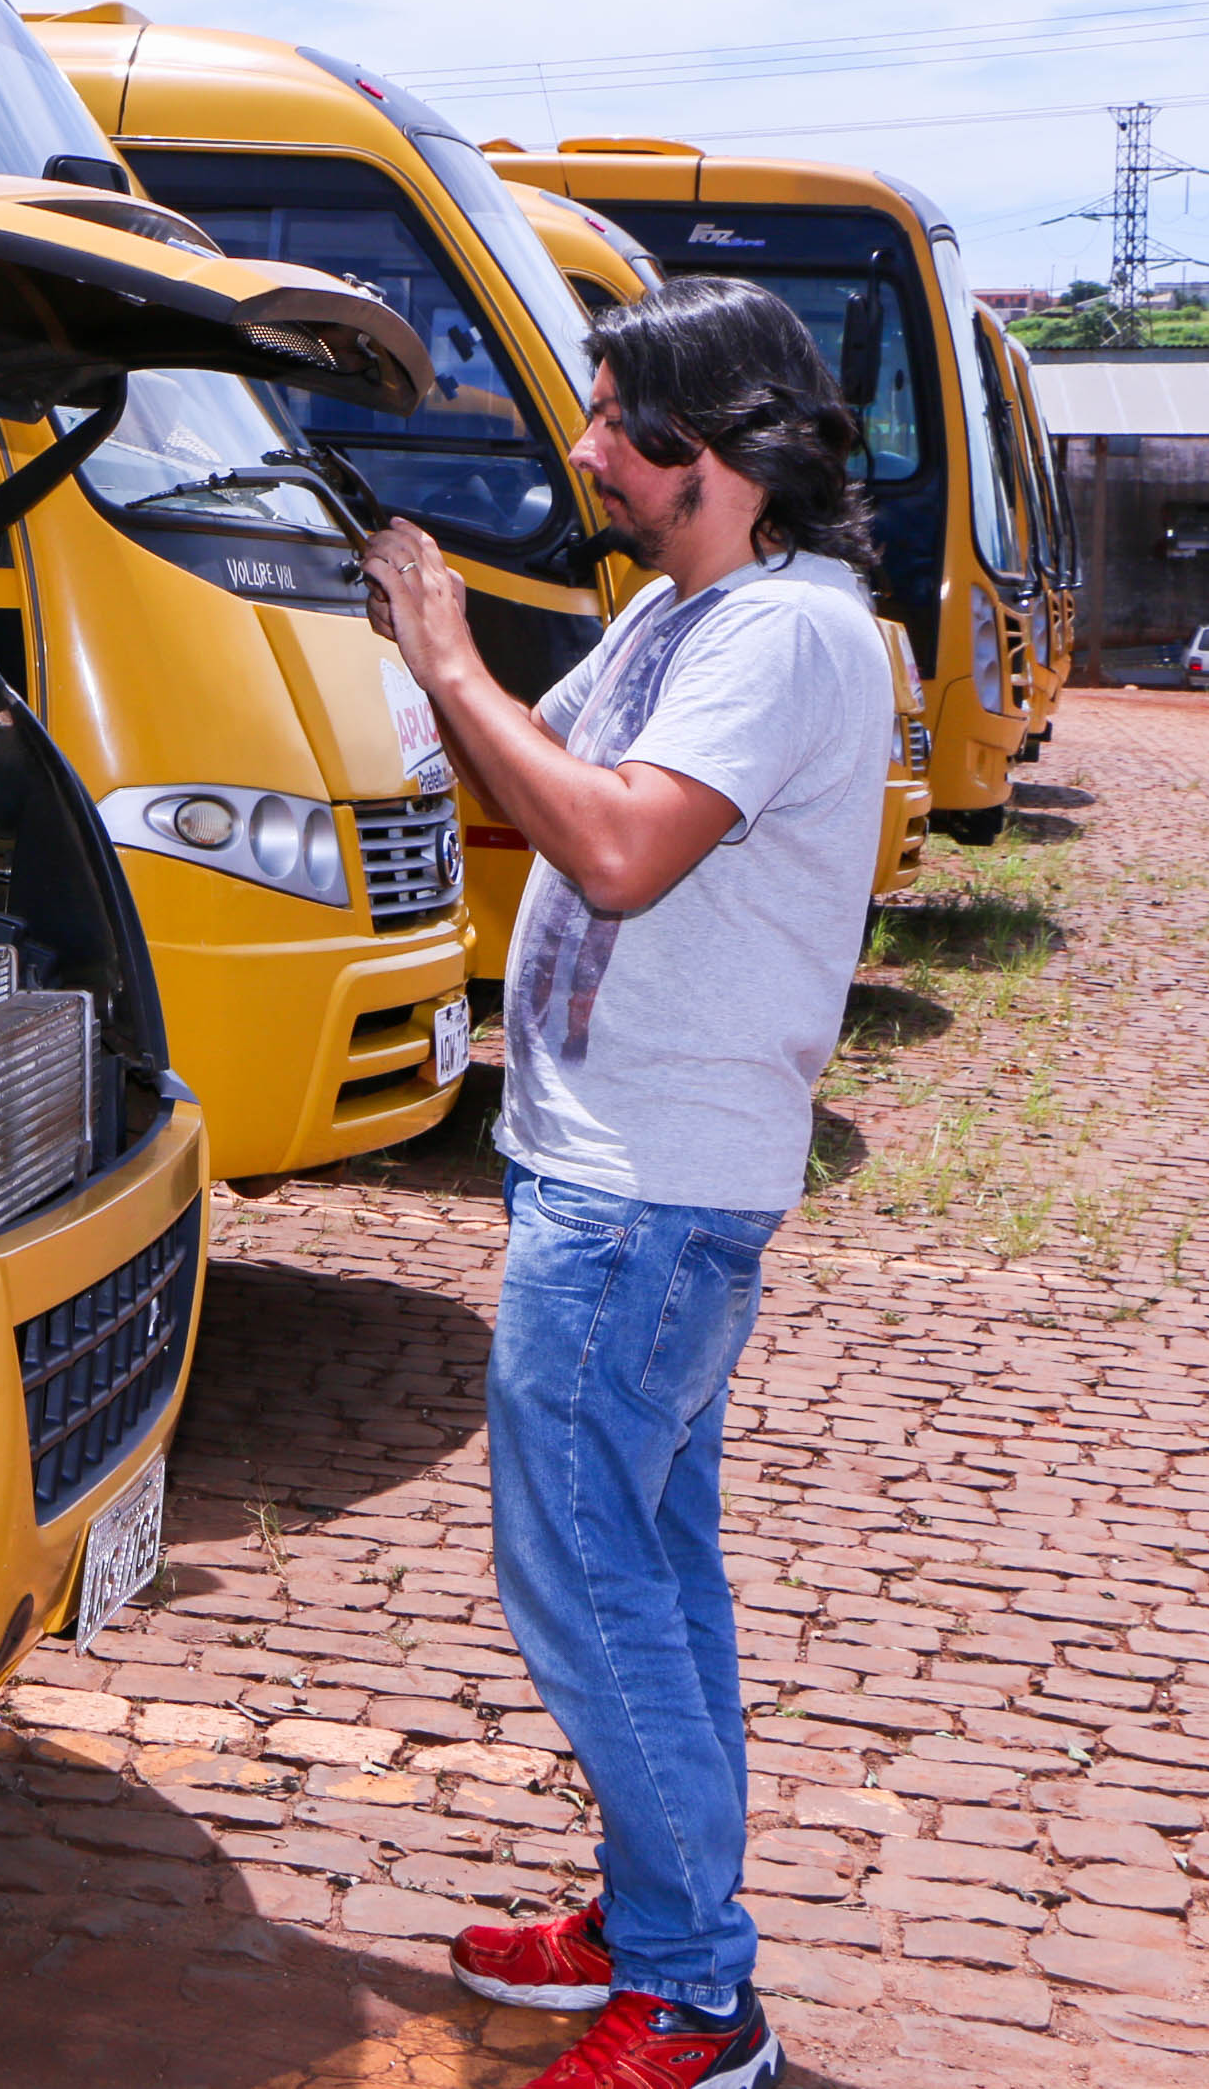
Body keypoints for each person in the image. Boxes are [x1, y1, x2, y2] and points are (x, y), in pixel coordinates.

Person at [361, 276, 889, 2089]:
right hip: (605, 1171)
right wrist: (431, 659)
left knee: (583, 1579)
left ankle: (690, 1996)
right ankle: (653, 1913)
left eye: (610, 422)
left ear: (720, 449)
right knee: (653, 1578)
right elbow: (525, 780)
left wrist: (446, 660)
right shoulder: (687, 616)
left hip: (645, 1194)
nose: (581, 451)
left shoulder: (787, 637)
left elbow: (609, 841)